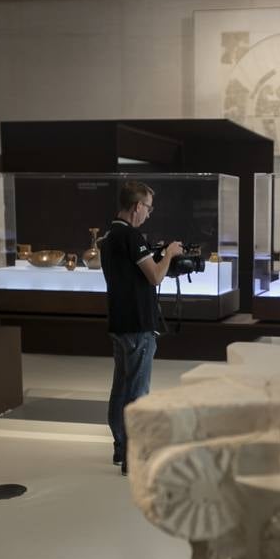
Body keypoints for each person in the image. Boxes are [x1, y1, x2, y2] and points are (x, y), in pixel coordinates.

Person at [100, 180, 182, 475]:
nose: (149, 211)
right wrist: (170, 253)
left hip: (120, 322)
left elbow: (132, 274)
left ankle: (120, 447)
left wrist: (155, 255)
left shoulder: (110, 237)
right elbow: (155, 278)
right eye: (148, 206)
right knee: (137, 392)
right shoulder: (133, 237)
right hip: (138, 325)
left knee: (121, 388)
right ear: (136, 207)